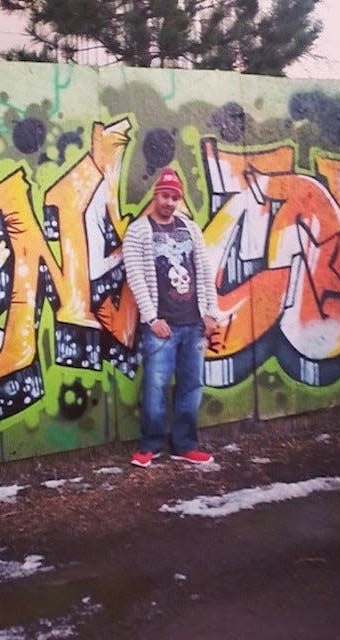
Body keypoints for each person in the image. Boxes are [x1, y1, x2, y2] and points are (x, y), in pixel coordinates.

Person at [123, 167, 220, 468]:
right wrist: (152, 319)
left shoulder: (191, 229)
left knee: (191, 385)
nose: (169, 202)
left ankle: (184, 445)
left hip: (193, 324)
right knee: (155, 385)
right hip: (161, 327)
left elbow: (204, 272)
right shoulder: (138, 231)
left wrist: (211, 313)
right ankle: (150, 445)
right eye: (165, 195)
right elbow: (135, 276)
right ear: (156, 195)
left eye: (175, 197)